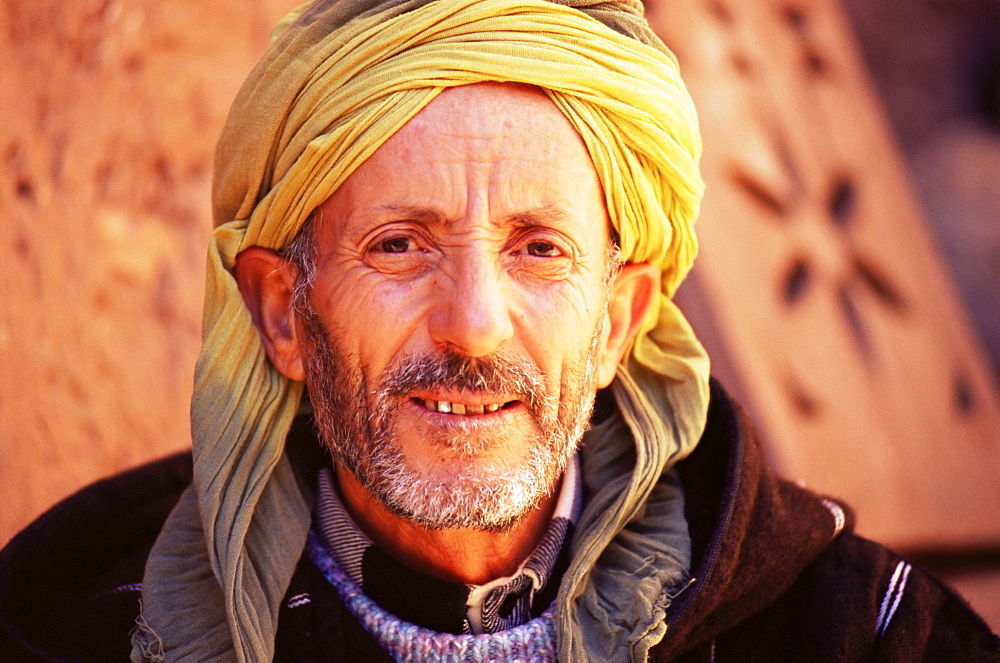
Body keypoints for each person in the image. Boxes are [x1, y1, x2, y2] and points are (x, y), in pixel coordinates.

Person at [1, 0, 997, 660]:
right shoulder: (85, 628)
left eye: (538, 250)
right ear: (281, 311)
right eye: (398, 246)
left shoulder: (847, 635)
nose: (472, 326)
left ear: (617, 320)